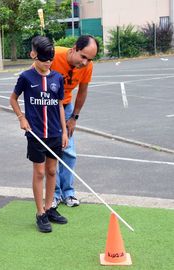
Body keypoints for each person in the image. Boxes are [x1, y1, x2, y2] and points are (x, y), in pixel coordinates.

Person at [10, 36, 69, 233]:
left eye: (50, 61)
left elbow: (60, 105)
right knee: (40, 172)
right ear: (33, 55)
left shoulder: (57, 78)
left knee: (52, 171)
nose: (47, 64)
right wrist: (21, 118)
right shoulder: (26, 77)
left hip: (54, 133)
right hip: (35, 133)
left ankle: (50, 207)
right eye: (44, 60)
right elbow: (13, 99)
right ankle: (40, 213)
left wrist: (64, 132)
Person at [51, 35, 99, 208]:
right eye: (83, 57)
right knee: (51, 152)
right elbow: (33, 77)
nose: (85, 62)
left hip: (66, 107)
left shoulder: (88, 67)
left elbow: (82, 91)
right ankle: (53, 194)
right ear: (74, 48)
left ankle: (68, 192)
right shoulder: (53, 55)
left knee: (69, 151)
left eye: (90, 59)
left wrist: (74, 118)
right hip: (47, 108)